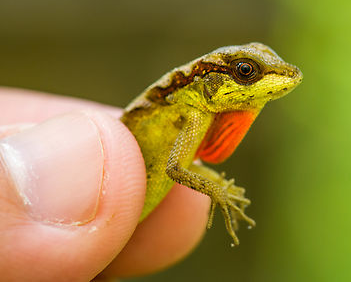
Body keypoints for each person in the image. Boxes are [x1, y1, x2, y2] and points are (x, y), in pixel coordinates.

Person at [0, 87, 210, 281]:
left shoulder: (195, 117)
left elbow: (181, 163)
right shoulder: (191, 112)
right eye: (244, 72)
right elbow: (174, 169)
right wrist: (216, 192)